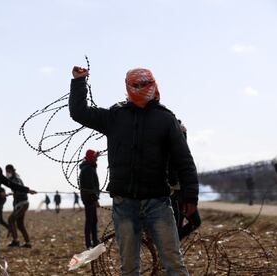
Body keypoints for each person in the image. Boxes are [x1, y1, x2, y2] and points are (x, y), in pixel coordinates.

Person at [69, 66, 199, 275]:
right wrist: (79, 81)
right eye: (135, 85)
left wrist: (190, 196)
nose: (140, 89)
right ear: (128, 87)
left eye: (145, 84)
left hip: (157, 203)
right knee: (129, 268)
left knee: (174, 263)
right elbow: (79, 112)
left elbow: (184, 160)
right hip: (124, 204)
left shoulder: (165, 119)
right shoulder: (116, 116)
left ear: (154, 85)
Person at [170, 120, 201, 241]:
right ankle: (170, 249)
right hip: (175, 192)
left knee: (195, 221)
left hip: (183, 192)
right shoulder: (170, 149)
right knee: (176, 226)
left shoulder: (182, 151)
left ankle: (171, 245)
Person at [5, 164, 32, 248]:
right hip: (20, 204)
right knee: (20, 224)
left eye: (8, 171)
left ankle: (16, 241)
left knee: (10, 219)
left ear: (12, 171)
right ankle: (28, 243)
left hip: (22, 204)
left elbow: (20, 189)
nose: (7, 173)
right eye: (7, 171)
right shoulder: (13, 179)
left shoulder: (15, 180)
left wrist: (15, 193)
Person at [79, 149, 100, 249]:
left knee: (93, 220)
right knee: (90, 221)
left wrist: (96, 156)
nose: (96, 159)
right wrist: (95, 199)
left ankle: (94, 241)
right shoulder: (88, 169)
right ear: (91, 158)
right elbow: (90, 186)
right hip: (89, 198)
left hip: (89, 198)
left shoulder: (89, 167)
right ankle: (89, 243)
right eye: (95, 157)